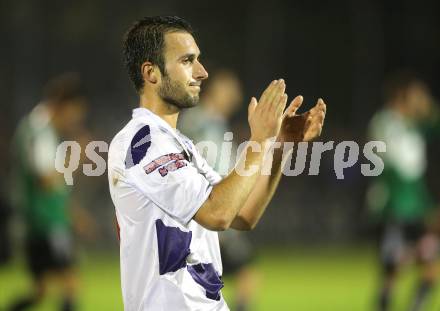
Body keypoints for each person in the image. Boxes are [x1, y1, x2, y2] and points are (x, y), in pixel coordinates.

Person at [108, 15, 326, 311]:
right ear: (151, 73)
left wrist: (280, 146)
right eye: (187, 61)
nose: (202, 72)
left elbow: (242, 214)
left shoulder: (179, 144)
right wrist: (259, 140)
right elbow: (219, 213)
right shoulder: (142, 142)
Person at [179, 69, 259, 311]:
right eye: (229, 89)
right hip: (211, 211)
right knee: (246, 275)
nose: (235, 95)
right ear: (214, 90)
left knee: (223, 280)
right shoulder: (202, 123)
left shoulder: (212, 122)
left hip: (214, 209)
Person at [9, 73, 88, 311]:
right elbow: (45, 179)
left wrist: (73, 213)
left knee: (40, 291)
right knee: (71, 284)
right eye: (75, 112)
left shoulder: (41, 129)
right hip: (45, 222)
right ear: (63, 105)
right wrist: (74, 156)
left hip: (41, 220)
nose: (75, 119)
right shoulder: (39, 130)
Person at [367, 72, 440, 311]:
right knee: (393, 271)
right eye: (418, 96)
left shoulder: (412, 127)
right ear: (404, 97)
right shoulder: (386, 122)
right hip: (395, 207)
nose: (422, 101)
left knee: (430, 266)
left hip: (414, 207)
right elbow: (398, 169)